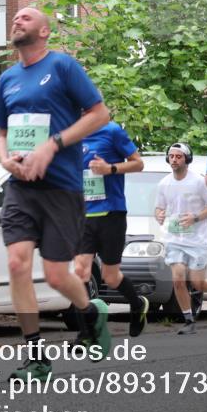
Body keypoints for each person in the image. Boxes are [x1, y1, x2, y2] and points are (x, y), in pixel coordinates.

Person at [0, 7, 112, 382]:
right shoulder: (6, 79)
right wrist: (5, 160)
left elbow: (99, 114)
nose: (17, 21)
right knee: (16, 264)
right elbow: (0, 135)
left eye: (26, 18)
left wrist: (52, 145)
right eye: (15, 18)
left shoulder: (62, 67)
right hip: (21, 188)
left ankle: (92, 313)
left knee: (58, 276)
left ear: (44, 31)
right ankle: (35, 357)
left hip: (61, 187)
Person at [75, 122, 146, 338]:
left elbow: (138, 164)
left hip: (111, 214)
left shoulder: (112, 131)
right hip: (82, 215)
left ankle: (137, 305)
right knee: (80, 272)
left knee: (111, 277)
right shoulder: (69, 134)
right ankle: (86, 332)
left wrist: (110, 169)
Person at [155, 143, 207, 335]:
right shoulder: (164, 183)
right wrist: (159, 215)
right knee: (178, 279)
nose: (174, 160)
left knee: (197, 283)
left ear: (187, 159)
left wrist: (195, 218)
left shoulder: (199, 182)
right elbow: (159, 208)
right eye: (171, 156)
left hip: (197, 240)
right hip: (174, 238)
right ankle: (188, 320)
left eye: (178, 156)